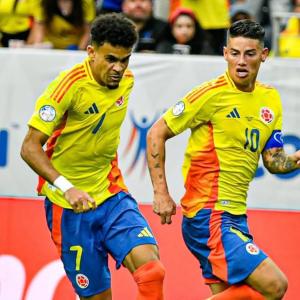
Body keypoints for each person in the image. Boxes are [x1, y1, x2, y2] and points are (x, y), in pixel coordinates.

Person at [146, 19, 300, 299]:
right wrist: (161, 193)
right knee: (275, 286)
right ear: (225, 53)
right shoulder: (210, 94)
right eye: (235, 53)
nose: (241, 61)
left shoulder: (271, 100)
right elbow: (156, 133)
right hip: (208, 214)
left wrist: (295, 160)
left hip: (235, 216)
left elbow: (274, 161)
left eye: (250, 54)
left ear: (263, 55)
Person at [21, 13, 165, 300]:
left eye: (125, 60)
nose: (118, 68)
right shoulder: (68, 87)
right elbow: (29, 148)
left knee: (152, 272)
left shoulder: (127, 81)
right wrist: (68, 187)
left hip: (110, 194)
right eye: (111, 58)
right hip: (69, 207)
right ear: (91, 52)